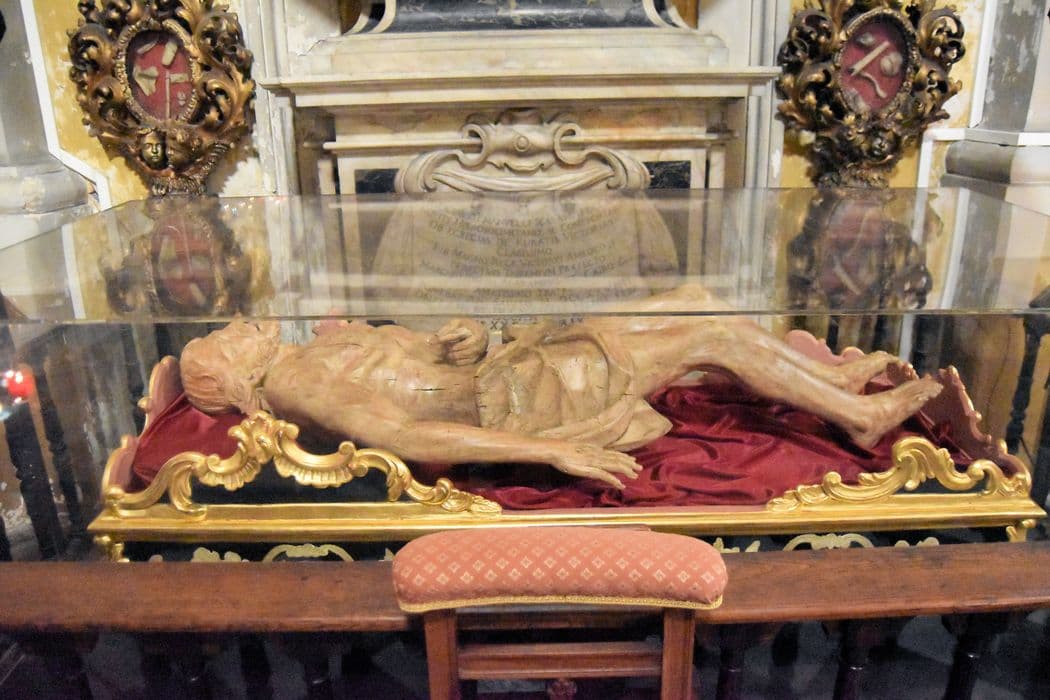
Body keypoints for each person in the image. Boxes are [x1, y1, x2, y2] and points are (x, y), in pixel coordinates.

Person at [179, 286, 942, 489]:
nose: (242, 324)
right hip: (528, 398)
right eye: (227, 336)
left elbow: (426, 356)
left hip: (508, 367)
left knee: (693, 296)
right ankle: (857, 416)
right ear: (233, 373)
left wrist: (463, 338)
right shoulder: (300, 381)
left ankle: (828, 380)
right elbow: (405, 436)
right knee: (708, 337)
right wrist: (548, 451)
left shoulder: (316, 348)